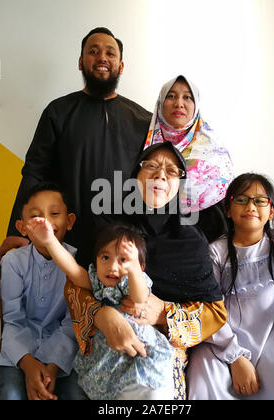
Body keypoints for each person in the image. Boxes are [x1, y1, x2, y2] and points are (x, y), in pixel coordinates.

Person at [65, 141, 227, 400]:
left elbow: (215, 312)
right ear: (135, 176)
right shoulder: (107, 225)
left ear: (180, 184)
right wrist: (101, 315)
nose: (160, 174)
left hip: (159, 355)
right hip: (104, 346)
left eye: (171, 171)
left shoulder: (190, 242)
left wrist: (163, 313)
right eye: (150, 165)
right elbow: (75, 282)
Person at [0, 27, 152, 268]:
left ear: (121, 66)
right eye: (94, 51)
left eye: (110, 53)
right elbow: (34, 173)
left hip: (122, 250)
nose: (102, 57)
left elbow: (157, 182)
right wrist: (20, 228)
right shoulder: (58, 112)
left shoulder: (143, 120)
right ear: (81, 62)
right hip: (63, 243)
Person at [26, 220, 175, 400]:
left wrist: (134, 270)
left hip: (140, 355)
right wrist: (50, 241)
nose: (113, 266)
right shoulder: (97, 283)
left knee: (152, 394)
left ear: (140, 267)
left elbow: (140, 297)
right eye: (105, 257)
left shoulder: (131, 283)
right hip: (108, 360)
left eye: (123, 260)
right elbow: (72, 270)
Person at [187, 173, 274, 400]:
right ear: (228, 209)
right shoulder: (215, 253)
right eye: (242, 199)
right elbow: (207, 310)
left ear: (271, 211)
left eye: (259, 200)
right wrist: (236, 357)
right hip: (220, 340)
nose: (251, 206)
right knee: (202, 384)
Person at [0, 182, 87, 400]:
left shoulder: (75, 265)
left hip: (63, 352)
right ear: (22, 227)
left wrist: (54, 366)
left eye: (54, 213)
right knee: (9, 394)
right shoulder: (13, 262)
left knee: (77, 395)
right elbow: (12, 319)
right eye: (36, 216)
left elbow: (71, 322)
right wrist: (27, 365)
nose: (46, 222)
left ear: (70, 221)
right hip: (18, 351)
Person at [144, 74, 233, 241]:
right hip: (155, 237)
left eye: (187, 97)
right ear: (161, 103)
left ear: (196, 105)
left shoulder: (214, 150)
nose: (179, 103)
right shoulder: (144, 143)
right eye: (171, 96)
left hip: (208, 236)